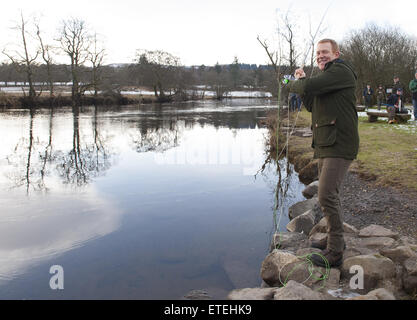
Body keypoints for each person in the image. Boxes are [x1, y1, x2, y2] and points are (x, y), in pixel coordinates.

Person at [287, 39, 359, 268]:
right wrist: (300, 81)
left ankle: (335, 252)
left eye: (325, 52)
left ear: (336, 53)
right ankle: (334, 239)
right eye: (318, 53)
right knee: (330, 194)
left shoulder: (340, 71)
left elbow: (307, 88)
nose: (320, 56)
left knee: (326, 194)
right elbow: (311, 103)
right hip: (328, 143)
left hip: (339, 143)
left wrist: (292, 82)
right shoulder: (326, 79)